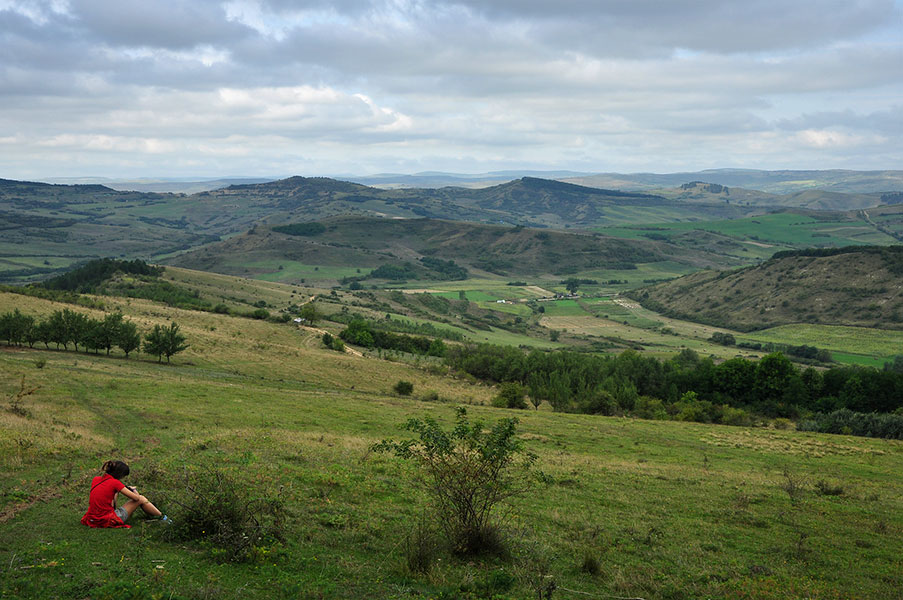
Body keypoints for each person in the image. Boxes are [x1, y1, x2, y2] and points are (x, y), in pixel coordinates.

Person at [81, 460, 171, 528]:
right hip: (106, 519)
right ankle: (163, 518)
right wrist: (133, 490)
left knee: (137, 500)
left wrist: (116, 492)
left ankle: (159, 517)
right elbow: (136, 498)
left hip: (92, 518)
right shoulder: (115, 483)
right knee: (142, 499)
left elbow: (112, 505)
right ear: (120, 475)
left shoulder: (96, 479)